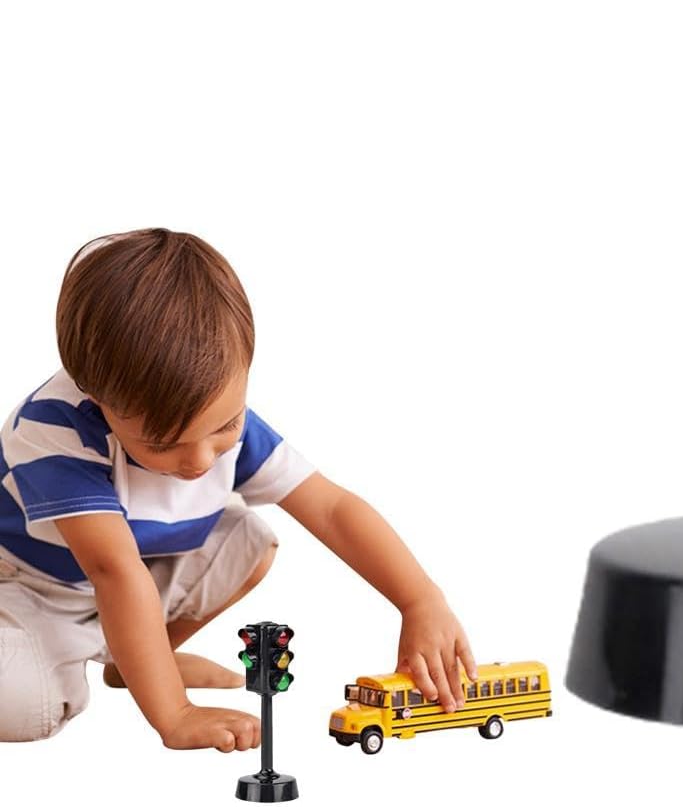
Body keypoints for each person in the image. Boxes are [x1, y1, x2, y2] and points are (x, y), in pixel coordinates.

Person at [0, 229, 475, 749]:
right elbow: (114, 571)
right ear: (95, 396)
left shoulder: (216, 415)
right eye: (165, 443)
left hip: (127, 578)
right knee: (24, 707)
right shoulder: (53, 431)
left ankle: (134, 661)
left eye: (225, 425)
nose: (202, 460)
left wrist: (420, 600)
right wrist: (176, 715)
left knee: (248, 541)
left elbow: (331, 508)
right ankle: (130, 668)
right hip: (32, 589)